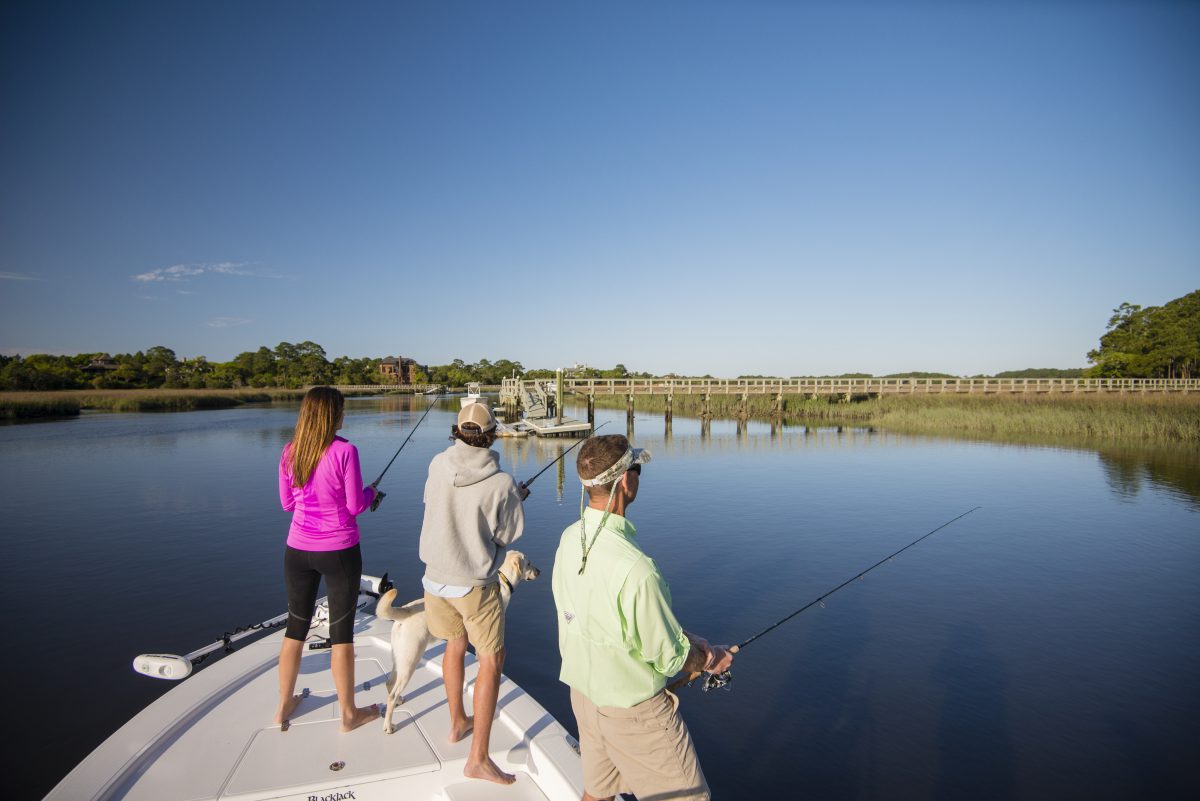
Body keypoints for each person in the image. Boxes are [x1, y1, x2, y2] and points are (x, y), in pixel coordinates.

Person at [551, 434, 734, 801]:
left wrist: (685, 637)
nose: (638, 475)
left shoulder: (569, 539)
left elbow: (609, 618)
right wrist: (709, 658)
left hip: (584, 697)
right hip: (634, 715)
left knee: (598, 793)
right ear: (625, 482)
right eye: (637, 469)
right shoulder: (637, 568)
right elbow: (669, 658)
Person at [419, 401, 530, 785]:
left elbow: (435, 505)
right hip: (473, 585)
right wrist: (515, 498)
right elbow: (508, 534)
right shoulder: (502, 483)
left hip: (434, 580)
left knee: (454, 644)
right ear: (491, 435)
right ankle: (478, 759)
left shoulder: (437, 464)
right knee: (491, 660)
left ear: (457, 431)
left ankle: (457, 722)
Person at [275, 386, 380, 732]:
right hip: (339, 552)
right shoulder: (345, 451)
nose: (344, 415)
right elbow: (355, 506)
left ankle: (283, 706)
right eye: (341, 410)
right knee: (342, 633)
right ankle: (349, 714)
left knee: (295, 628)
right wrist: (372, 493)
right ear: (332, 415)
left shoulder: (290, 451)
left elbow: (287, 504)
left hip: (297, 551)